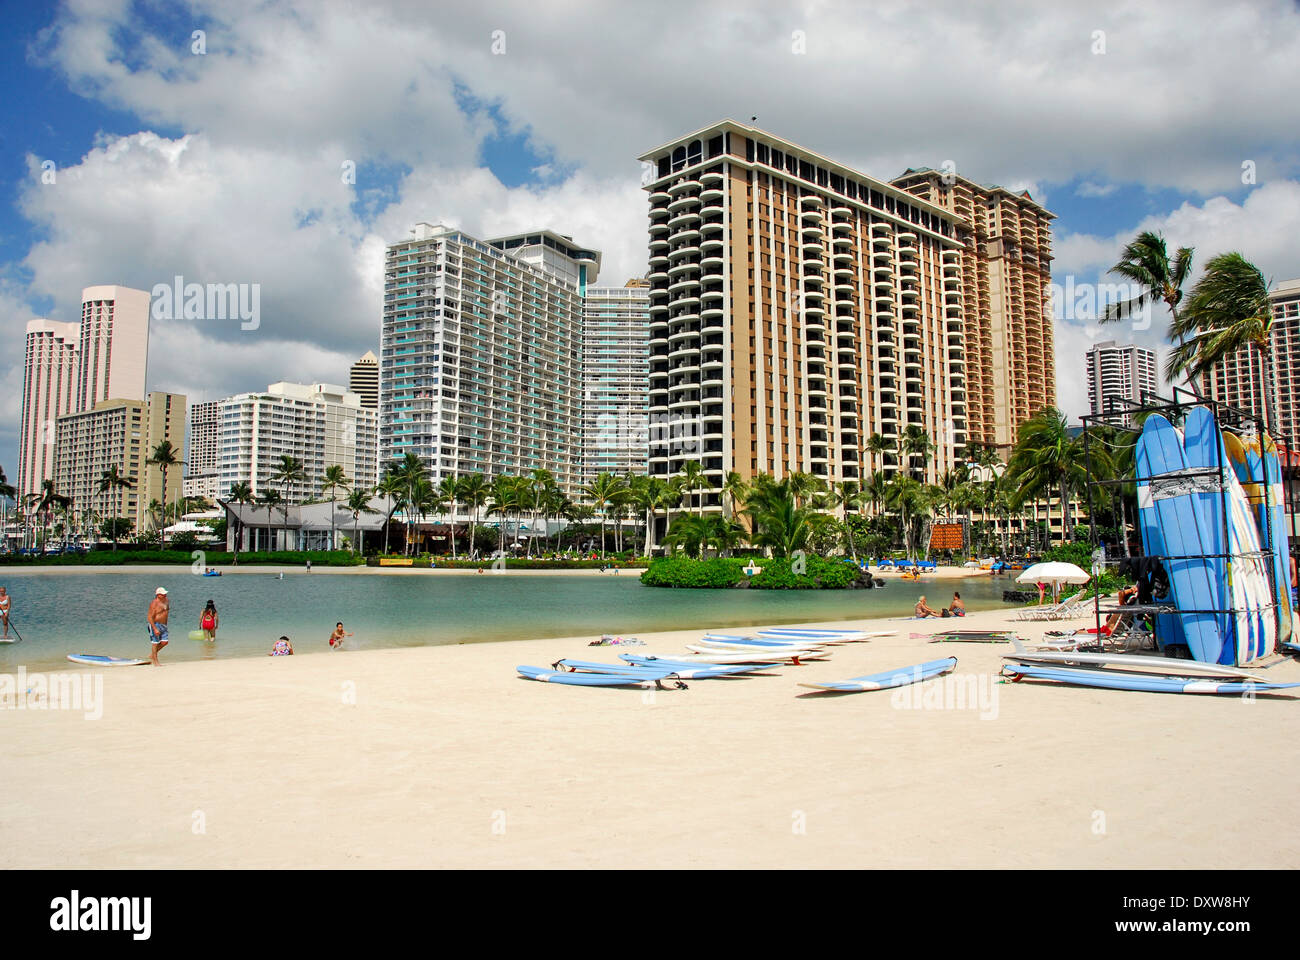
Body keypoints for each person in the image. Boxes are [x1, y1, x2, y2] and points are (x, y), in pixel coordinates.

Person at [147, 587, 170, 666]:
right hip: (155, 624)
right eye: (163, 594)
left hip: (163, 625)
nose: (165, 595)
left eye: (165, 594)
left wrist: (166, 625)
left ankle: (152, 655)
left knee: (165, 642)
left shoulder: (167, 601)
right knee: (155, 643)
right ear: (158, 595)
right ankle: (155, 661)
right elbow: (149, 617)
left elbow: (166, 613)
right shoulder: (154, 603)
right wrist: (155, 628)